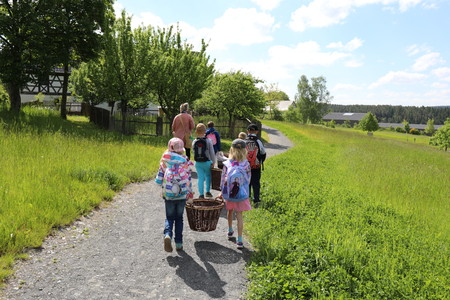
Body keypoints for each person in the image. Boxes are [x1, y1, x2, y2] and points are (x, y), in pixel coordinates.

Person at [155, 137, 194, 252]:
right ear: (181, 148)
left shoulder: (166, 158)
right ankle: (178, 243)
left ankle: (167, 235)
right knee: (179, 218)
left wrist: (159, 183)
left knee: (169, 217)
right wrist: (190, 193)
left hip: (168, 194)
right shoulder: (185, 159)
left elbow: (160, 175)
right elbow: (188, 177)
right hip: (182, 194)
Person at [219, 139, 251, 249]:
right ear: (244, 150)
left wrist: (221, 192)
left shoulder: (227, 164)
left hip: (229, 194)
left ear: (231, 150)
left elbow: (223, 179)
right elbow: (248, 181)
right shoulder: (246, 164)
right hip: (241, 195)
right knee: (239, 216)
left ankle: (229, 230)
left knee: (230, 212)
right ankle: (240, 239)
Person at [192, 123, 216, 199]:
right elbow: (212, 152)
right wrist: (213, 162)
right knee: (208, 176)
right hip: (207, 162)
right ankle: (207, 192)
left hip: (198, 162)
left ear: (196, 131)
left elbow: (193, 151)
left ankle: (201, 194)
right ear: (205, 131)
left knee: (200, 178)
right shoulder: (208, 141)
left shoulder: (194, 141)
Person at [245, 124, 266, 207]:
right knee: (256, 182)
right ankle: (256, 199)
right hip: (256, 166)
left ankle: (247, 198)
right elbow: (263, 153)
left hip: (246, 166)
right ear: (257, 131)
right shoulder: (258, 141)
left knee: (247, 182)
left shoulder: (244, 141)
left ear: (247, 131)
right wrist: (260, 161)